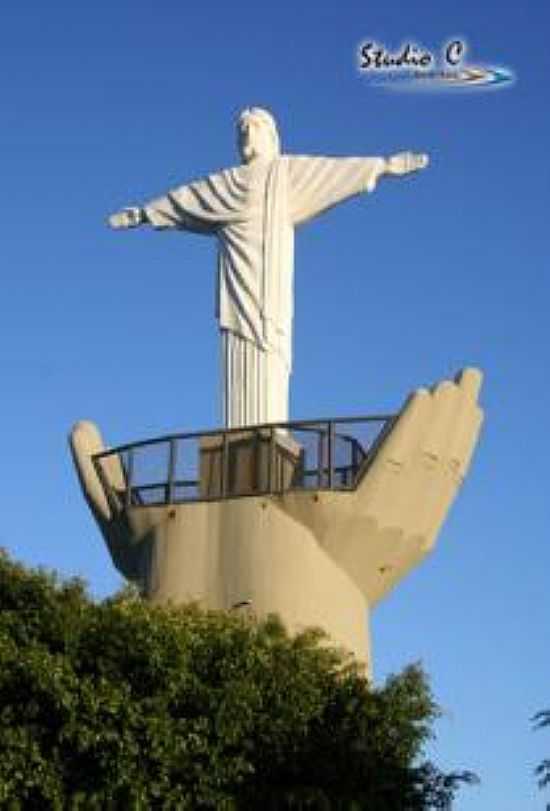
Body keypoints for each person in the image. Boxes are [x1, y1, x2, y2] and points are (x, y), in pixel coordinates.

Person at [109, 107, 428, 427]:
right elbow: (188, 199)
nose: (247, 134)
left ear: (272, 137)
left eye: (255, 127)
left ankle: (268, 438)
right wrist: (145, 214)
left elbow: (332, 171)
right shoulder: (226, 183)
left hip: (269, 296)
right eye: (242, 130)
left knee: (269, 359)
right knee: (237, 358)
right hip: (236, 292)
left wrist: (383, 166)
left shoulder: (286, 174)